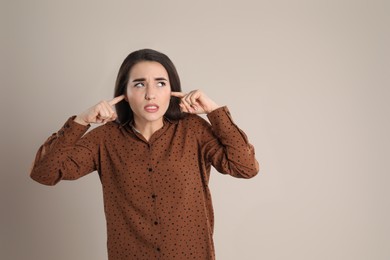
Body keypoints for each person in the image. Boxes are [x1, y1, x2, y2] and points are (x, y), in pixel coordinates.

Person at [30, 49, 259, 260]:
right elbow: (44, 173)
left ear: (172, 91)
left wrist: (214, 111)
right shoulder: (105, 139)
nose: (151, 94)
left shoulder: (194, 130)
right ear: (125, 94)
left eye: (160, 83)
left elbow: (245, 167)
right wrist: (81, 121)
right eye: (139, 84)